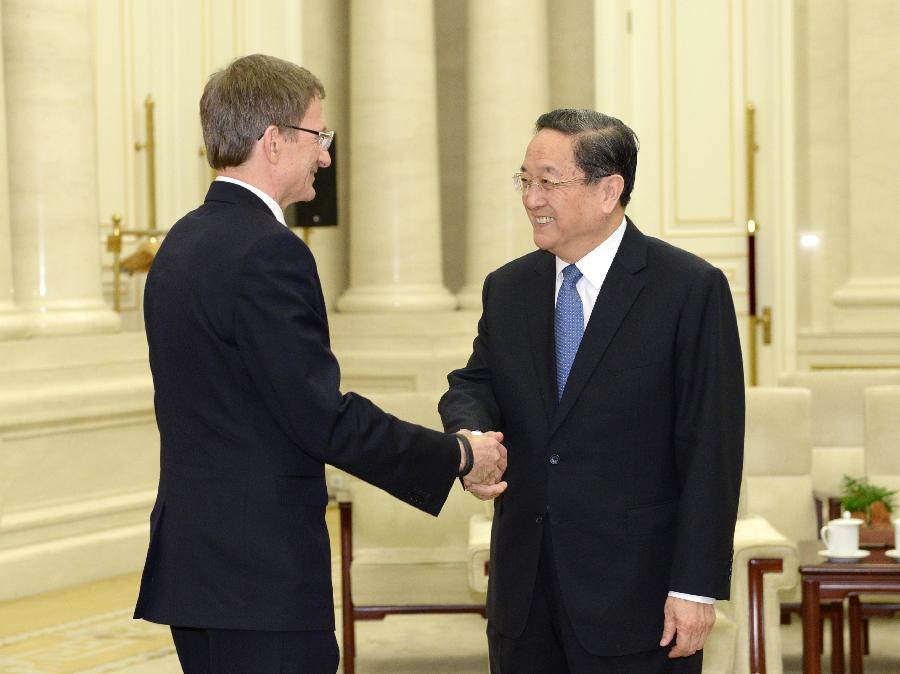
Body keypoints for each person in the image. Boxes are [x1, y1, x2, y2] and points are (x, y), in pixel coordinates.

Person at [133, 54, 507, 674]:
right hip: (262, 577)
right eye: (318, 136)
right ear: (274, 140)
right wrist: (460, 455)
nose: (327, 156)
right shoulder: (270, 252)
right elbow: (319, 418)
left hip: (196, 568)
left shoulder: (180, 242)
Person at [439, 109, 744, 673]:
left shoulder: (688, 289)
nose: (531, 198)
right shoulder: (508, 288)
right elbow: (476, 381)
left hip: (639, 599)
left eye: (548, 181)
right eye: (524, 181)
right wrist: (471, 432)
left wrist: (696, 588)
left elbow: (713, 448)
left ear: (609, 190)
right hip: (525, 598)